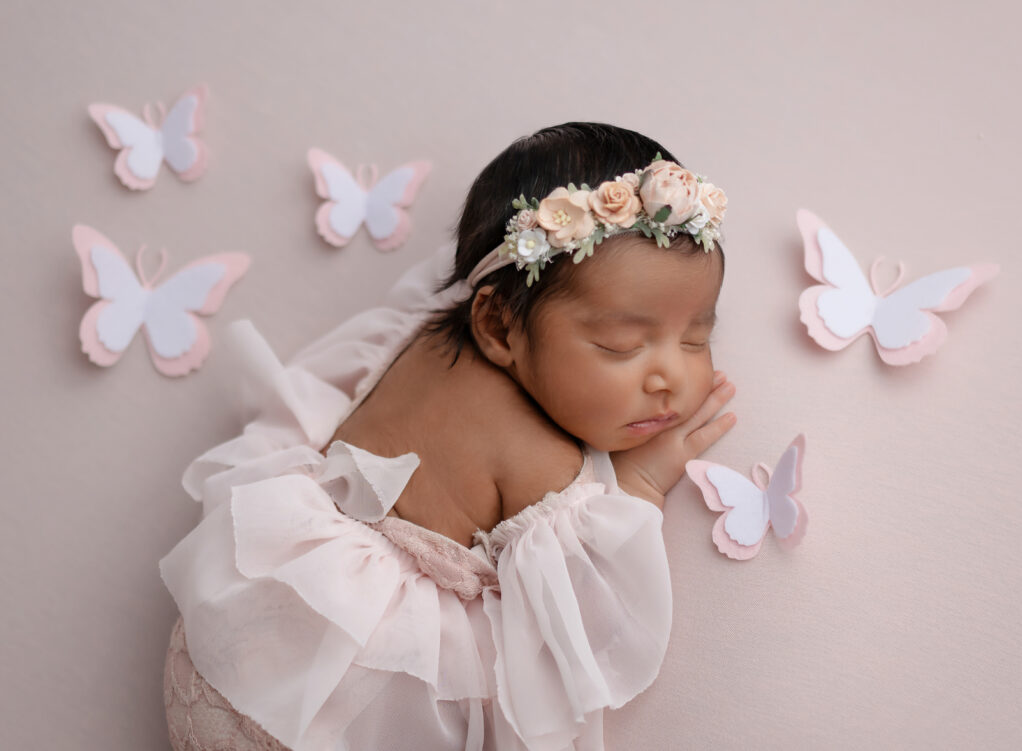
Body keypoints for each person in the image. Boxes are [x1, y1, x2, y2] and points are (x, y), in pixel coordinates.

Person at [160, 122, 737, 751]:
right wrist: (641, 483)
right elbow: (585, 636)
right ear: (497, 325)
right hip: (359, 702)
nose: (671, 376)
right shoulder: (542, 465)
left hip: (246, 625)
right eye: (620, 345)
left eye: (696, 338)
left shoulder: (418, 336)